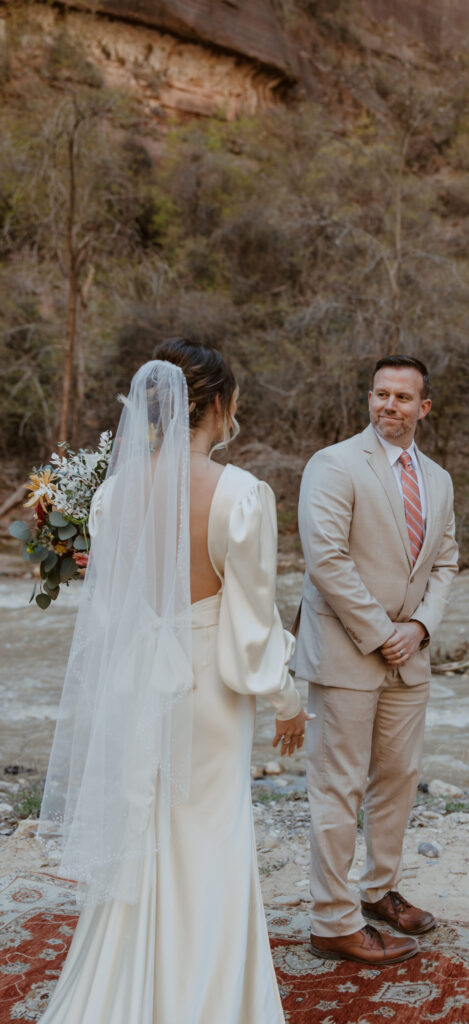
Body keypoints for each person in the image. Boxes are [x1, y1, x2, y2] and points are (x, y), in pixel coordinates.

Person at [38, 339, 309, 1023]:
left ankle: (126, 989)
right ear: (217, 405)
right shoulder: (241, 494)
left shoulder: (109, 495)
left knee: (142, 831)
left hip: (135, 679)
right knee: (210, 841)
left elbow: (110, 613)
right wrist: (286, 697)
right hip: (206, 685)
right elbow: (251, 623)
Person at [293, 354, 459, 966]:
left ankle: (377, 892)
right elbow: (326, 558)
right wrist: (380, 631)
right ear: (370, 399)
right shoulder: (334, 464)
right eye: (380, 394)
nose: (389, 405)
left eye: (402, 397)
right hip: (344, 651)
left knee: (397, 780)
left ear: (424, 407)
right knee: (337, 788)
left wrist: (417, 627)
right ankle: (331, 920)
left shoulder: (437, 478)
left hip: (410, 656)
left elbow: (445, 562)